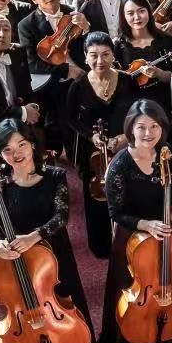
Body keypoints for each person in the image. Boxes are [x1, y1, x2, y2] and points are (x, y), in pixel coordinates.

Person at [0, 118, 97, 343]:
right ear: (0, 154)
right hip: (19, 260)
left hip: (53, 254)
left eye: (21, 144)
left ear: (32, 144)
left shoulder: (55, 176)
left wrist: (34, 236)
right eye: (7, 150)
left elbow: (61, 217)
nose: (16, 154)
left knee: (66, 303)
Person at [100, 100, 172, 343]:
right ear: (130, 129)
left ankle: (169, 327)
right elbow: (116, 213)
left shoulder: (165, 153)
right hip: (133, 236)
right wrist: (146, 225)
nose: (148, 133)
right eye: (141, 127)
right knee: (134, 291)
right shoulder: (119, 165)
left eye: (154, 126)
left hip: (163, 227)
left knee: (167, 278)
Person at [66, 31, 137, 259]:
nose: (100, 60)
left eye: (106, 54)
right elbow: (70, 118)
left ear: (113, 55)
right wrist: (91, 136)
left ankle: (129, 241)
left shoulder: (128, 80)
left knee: (128, 193)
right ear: (85, 56)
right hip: (93, 154)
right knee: (97, 196)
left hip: (125, 147)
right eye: (94, 55)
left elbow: (139, 113)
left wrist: (126, 137)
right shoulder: (78, 86)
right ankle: (102, 246)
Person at [16, 0, 90, 156]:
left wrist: (86, 29)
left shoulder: (74, 13)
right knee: (66, 124)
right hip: (54, 83)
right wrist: (67, 71)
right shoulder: (26, 25)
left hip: (84, 75)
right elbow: (32, 63)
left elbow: (91, 46)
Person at [116, 0, 172, 111]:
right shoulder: (118, 45)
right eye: (130, 13)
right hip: (131, 108)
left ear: (148, 11)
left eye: (141, 11)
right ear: (123, 16)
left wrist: (159, 73)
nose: (137, 17)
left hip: (163, 105)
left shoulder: (167, 40)